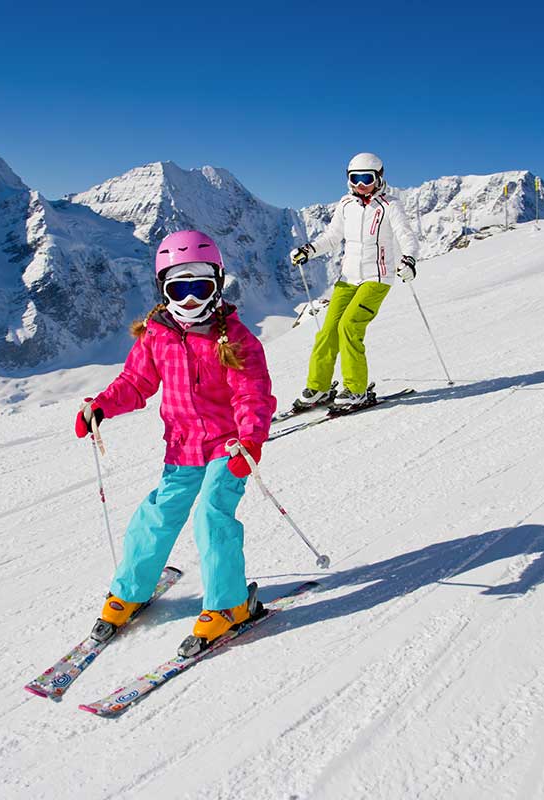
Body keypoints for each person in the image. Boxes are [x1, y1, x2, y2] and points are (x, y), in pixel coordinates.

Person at [75, 230, 276, 656]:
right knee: (156, 514)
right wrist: (102, 406)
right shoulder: (157, 335)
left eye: (199, 287)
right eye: (177, 289)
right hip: (182, 447)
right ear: (162, 289)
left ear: (217, 284)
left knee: (211, 514)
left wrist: (251, 439)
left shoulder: (237, 339)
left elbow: (252, 393)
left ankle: (229, 606)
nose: (188, 300)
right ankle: (129, 591)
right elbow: (136, 381)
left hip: (229, 448)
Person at [289, 152, 419, 411]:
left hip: (377, 278)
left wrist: (410, 260)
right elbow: (332, 237)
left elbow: (406, 236)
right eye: (355, 178)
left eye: (366, 178)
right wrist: (309, 250)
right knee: (327, 332)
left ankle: (356, 389)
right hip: (348, 278)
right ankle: (319, 387)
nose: (361, 184)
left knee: (349, 326)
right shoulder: (346, 205)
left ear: (379, 178)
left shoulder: (390, 206)